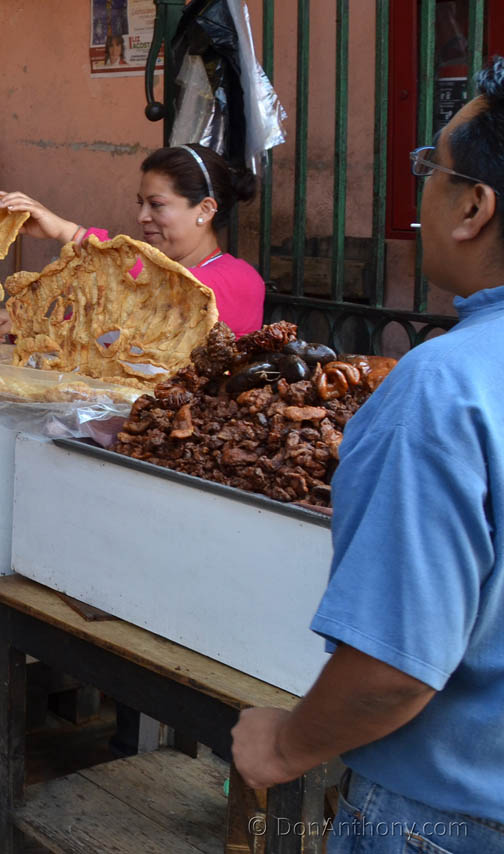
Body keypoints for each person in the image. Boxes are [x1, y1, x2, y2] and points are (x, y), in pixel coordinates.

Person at [231, 57, 504, 854]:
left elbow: (394, 668)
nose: (424, 190)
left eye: (430, 168)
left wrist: (284, 746)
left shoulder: (443, 388)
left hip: (441, 822)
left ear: (474, 207)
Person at [0, 143, 264, 335]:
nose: (142, 217)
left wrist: (68, 232)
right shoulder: (124, 284)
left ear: (204, 210)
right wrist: (28, 326)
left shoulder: (241, 281)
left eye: (156, 204)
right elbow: (87, 334)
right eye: (140, 204)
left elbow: (170, 288)